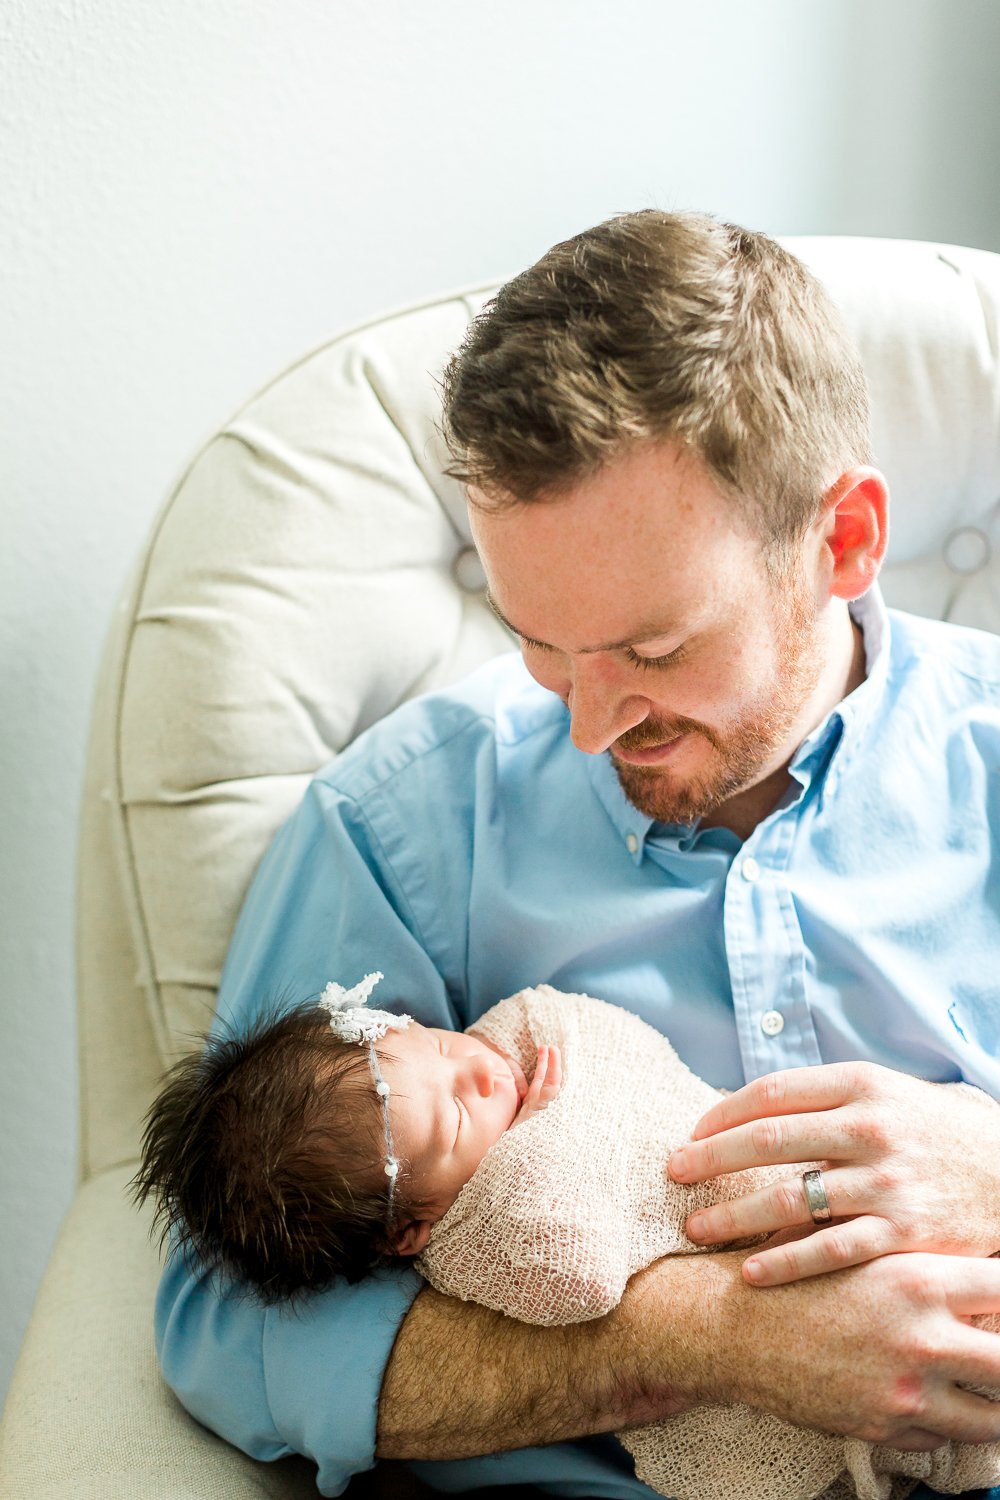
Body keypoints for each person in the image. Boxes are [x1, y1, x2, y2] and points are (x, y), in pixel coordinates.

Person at [154, 209, 1000, 1500]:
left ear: (844, 543)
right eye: (542, 642)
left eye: (653, 652)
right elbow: (230, 1325)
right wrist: (705, 1338)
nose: (590, 724)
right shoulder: (405, 828)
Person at [140, 975, 1000, 1500]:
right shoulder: (479, 1231)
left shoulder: (483, 1061)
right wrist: (547, 1134)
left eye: (442, 1043)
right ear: (410, 1230)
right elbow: (577, 1275)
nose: (480, 1068)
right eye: (454, 1117)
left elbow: (599, 1046)